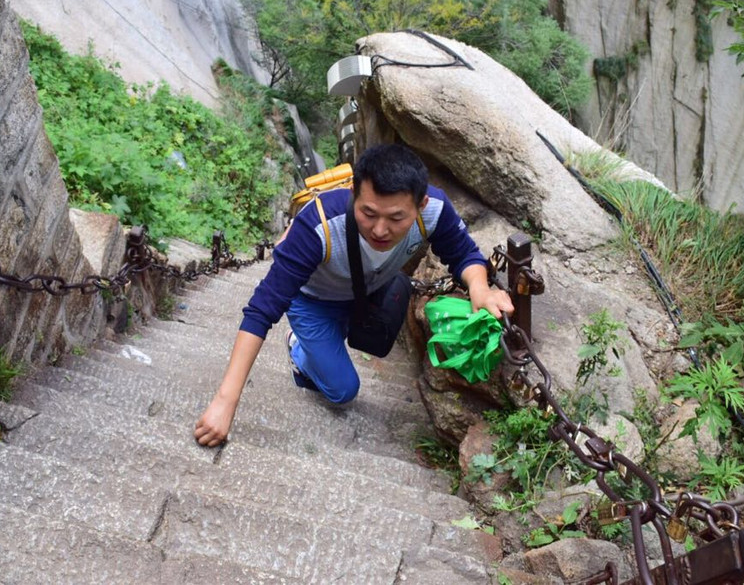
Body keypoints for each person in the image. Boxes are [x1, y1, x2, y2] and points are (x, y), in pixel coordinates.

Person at [193, 144, 513, 447]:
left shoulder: (435, 210)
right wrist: (226, 401)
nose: (380, 230)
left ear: (421, 205)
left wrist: (480, 289)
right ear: (353, 193)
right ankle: (298, 347)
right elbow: (262, 309)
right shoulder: (318, 225)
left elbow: (464, 254)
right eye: (368, 213)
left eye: (396, 218)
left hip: (370, 289)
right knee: (342, 391)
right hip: (313, 302)